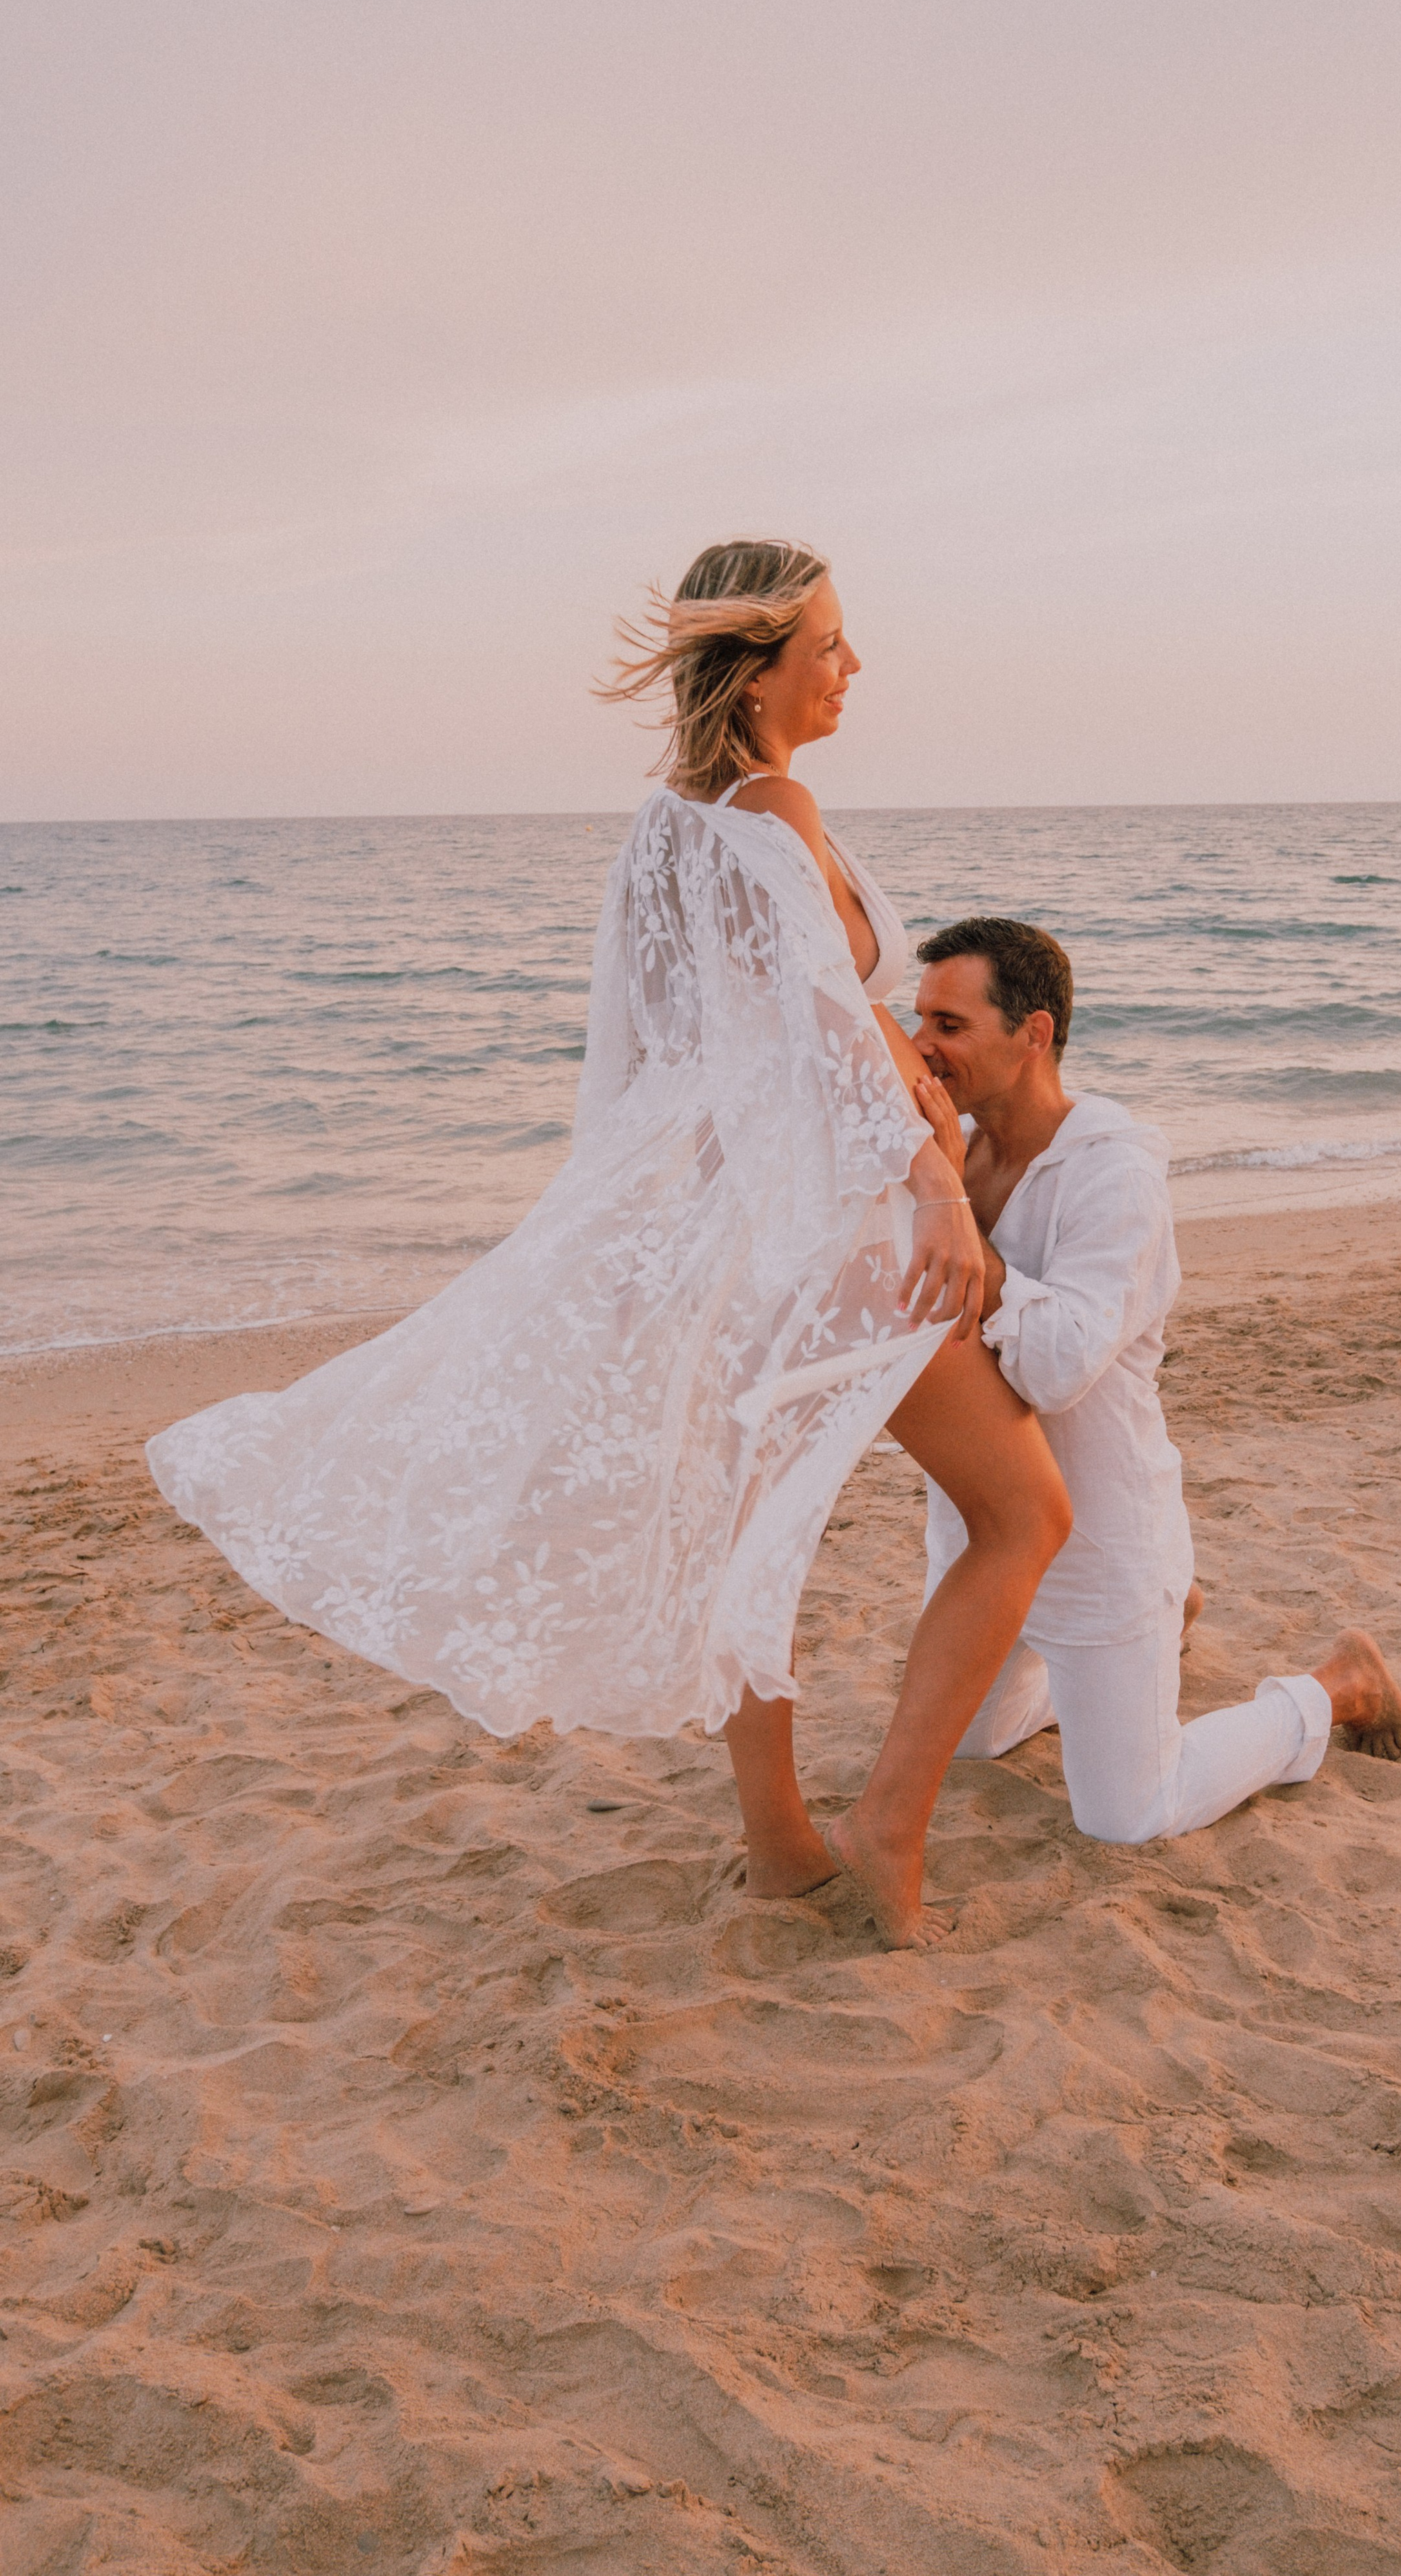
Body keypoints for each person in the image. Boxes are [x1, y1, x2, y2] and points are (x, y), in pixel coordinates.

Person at [148, 543, 1070, 1948]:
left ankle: (779, 1850)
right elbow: (828, 1036)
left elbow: (668, 1067)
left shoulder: (665, 826)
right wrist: (941, 1187)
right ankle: (885, 1831)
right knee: (1025, 1515)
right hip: (843, 1232)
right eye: (828, 642)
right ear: (757, 666)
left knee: (748, 1542)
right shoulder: (773, 809)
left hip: (760, 1242)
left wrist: (687, 1234)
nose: (849, 666)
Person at [908, 915, 1401, 1845]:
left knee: (1129, 1816)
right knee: (972, 1745)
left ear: (1034, 1033)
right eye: (917, 1020)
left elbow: (1055, 1369)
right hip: (985, 1532)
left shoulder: (1114, 1176)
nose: (921, 1048)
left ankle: (1336, 1687)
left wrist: (951, 1212)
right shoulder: (950, 1156)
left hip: (1102, 1540)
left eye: (949, 1025)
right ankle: (1155, 1637)